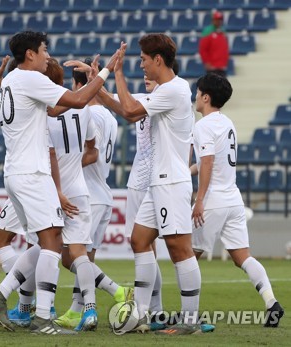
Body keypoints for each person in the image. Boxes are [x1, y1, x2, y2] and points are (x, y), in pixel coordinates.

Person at [0, 30, 120, 335]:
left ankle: (1, 295)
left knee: (45, 240)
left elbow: (55, 109)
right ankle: (42, 315)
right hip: (34, 174)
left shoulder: (12, 83)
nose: (47, 55)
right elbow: (81, 98)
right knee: (53, 241)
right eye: (44, 49)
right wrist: (107, 70)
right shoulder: (30, 79)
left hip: (17, 173)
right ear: (30, 53)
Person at [111, 34, 201, 335]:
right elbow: (126, 108)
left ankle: (190, 322)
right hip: (157, 182)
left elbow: (128, 111)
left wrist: (118, 73)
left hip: (171, 181)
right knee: (139, 240)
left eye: (144, 60)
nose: (142, 65)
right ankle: (141, 312)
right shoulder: (165, 91)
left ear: (158, 60)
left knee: (179, 249)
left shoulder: (175, 90)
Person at [191, 72, 284, 328]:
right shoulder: (227, 123)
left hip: (212, 200)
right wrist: (188, 171)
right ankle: (271, 301)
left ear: (206, 97)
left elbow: (208, 161)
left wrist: (199, 200)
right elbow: (209, 161)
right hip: (233, 198)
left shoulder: (202, 126)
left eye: (198, 92)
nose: (195, 96)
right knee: (242, 256)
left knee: (187, 256)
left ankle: (191, 316)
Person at [54, 59, 133, 330]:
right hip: (103, 192)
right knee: (84, 258)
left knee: (70, 257)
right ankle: (79, 310)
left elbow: (90, 152)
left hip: (87, 192)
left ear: (80, 86)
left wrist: (65, 167)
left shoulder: (89, 114)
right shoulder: (109, 117)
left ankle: (115, 292)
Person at [199, 10, 229, 77]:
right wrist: (207, 62)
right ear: (213, 20)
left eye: (220, 19)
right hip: (212, 67)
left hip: (222, 66)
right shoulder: (207, 32)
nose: (219, 21)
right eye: (217, 19)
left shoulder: (223, 32)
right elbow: (203, 49)